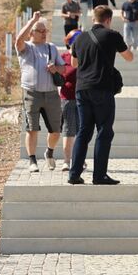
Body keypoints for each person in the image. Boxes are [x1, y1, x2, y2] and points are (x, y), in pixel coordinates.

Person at [67, 5, 133, 185]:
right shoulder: (112, 35)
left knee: (84, 131)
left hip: (81, 88)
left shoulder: (80, 38)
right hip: (101, 87)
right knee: (104, 131)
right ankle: (99, 175)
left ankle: (74, 174)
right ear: (108, 20)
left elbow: (74, 63)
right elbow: (129, 57)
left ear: (93, 18)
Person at [15, 13, 67, 173]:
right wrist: (33, 20)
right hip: (31, 93)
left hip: (51, 93)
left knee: (56, 131)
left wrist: (55, 69)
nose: (44, 33)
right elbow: (18, 40)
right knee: (32, 128)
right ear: (32, 32)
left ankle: (49, 152)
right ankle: (32, 161)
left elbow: (63, 68)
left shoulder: (51, 48)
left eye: (46, 31)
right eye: (40, 31)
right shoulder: (26, 48)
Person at [57, 31, 80, 172]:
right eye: (75, 39)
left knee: (82, 131)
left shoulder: (86, 56)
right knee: (69, 130)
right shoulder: (63, 57)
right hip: (68, 99)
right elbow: (63, 74)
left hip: (84, 98)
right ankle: (66, 161)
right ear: (69, 42)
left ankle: (79, 159)